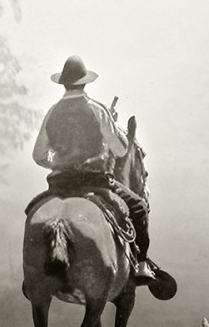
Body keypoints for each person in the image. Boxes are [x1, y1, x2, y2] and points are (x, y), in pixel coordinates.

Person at [33, 55, 155, 284]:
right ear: (84, 82)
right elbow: (119, 152)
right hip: (94, 182)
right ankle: (142, 265)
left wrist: (58, 164)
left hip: (59, 183)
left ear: (64, 83)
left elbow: (38, 155)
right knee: (138, 207)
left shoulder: (52, 112)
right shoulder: (97, 110)